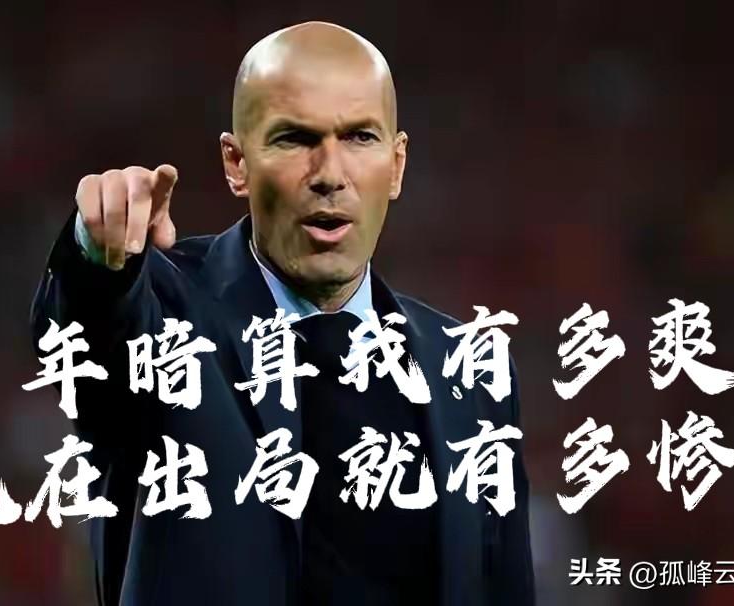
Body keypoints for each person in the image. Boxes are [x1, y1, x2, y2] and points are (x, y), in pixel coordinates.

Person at [31, 21, 534, 606]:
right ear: (236, 163)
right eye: (294, 139)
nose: (330, 175)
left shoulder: (470, 368)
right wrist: (99, 252)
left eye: (360, 137)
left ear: (397, 165)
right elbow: (87, 336)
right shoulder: (164, 313)